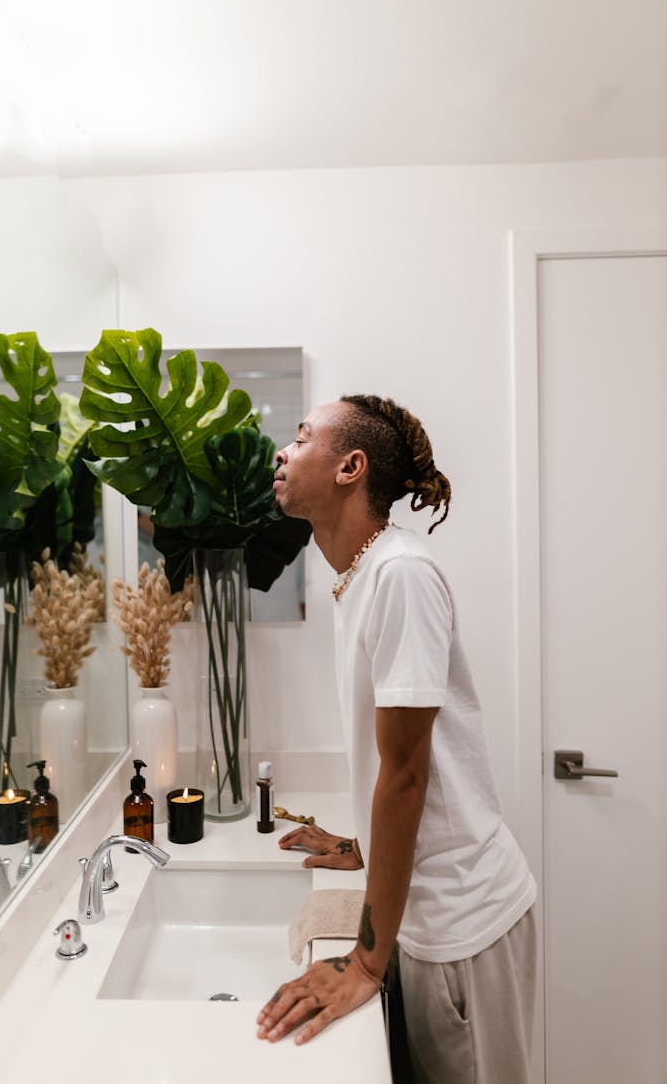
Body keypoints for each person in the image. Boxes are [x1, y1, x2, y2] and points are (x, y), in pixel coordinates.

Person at [256, 395, 537, 1084]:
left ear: (350, 466)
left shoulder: (400, 574)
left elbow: (407, 771)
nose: (282, 453)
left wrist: (364, 962)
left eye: (302, 438)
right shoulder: (363, 577)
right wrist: (364, 845)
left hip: (460, 925)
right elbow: (409, 766)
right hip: (425, 917)